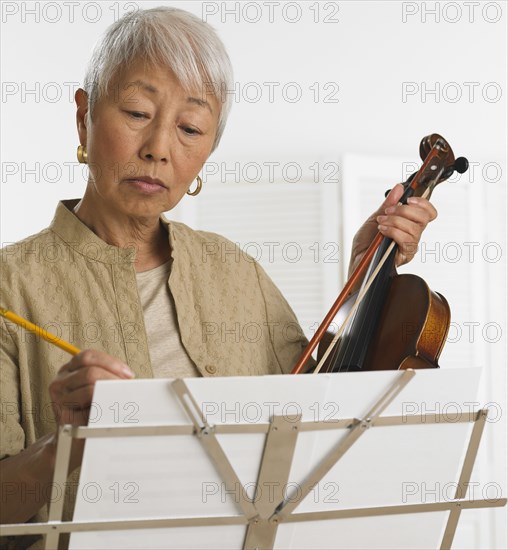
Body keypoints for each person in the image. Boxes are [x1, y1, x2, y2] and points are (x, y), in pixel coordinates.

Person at [0, 6, 437, 547]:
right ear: (83, 116)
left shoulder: (236, 272)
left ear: (208, 150)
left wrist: (361, 279)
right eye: (137, 112)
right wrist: (61, 445)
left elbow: (316, 424)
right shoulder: (10, 287)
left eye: (189, 128)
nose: (159, 148)